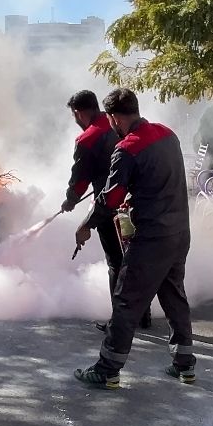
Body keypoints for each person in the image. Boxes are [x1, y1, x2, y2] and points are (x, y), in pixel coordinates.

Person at [73, 88, 196, 389]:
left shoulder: (127, 148)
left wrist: (86, 224)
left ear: (114, 117)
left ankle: (108, 368)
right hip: (179, 231)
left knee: (126, 300)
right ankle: (185, 365)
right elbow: (160, 179)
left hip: (153, 237)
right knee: (173, 296)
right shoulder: (168, 134)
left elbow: (111, 198)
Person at [63, 90, 152, 331]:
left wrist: (70, 200)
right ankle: (142, 315)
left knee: (116, 262)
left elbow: (80, 178)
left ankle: (121, 321)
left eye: (74, 116)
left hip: (109, 206)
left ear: (79, 113)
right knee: (133, 258)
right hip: (135, 204)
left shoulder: (88, 138)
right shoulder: (116, 126)